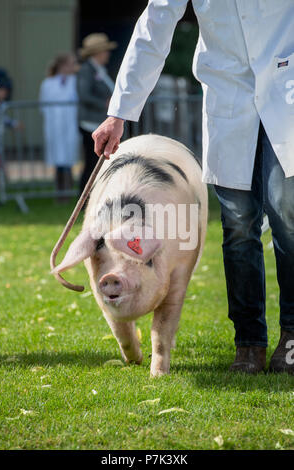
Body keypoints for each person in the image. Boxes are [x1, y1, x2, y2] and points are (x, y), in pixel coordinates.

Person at [92, 1, 294, 375]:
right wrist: (118, 112)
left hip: (288, 85)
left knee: (287, 213)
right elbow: (154, 25)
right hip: (227, 94)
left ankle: (292, 337)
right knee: (237, 225)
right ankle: (248, 342)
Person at [77, 33, 117, 194]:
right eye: (105, 50)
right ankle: (84, 196)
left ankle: (94, 194)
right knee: (92, 162)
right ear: (97, 53)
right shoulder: (86, 70)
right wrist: (104, 104)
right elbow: (84, 94)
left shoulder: (99, 69)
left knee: (98, 162)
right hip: (90, 123)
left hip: (98, 122)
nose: (107, 54)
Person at [40, 53, 79, 201]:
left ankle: (67, 192)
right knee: (58, 160)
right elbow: (43, 105)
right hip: (54, 126)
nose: (74, 67)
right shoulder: (47, 83)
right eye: (71, 64)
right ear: (62, 66)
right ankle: (59, 193)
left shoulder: (75, 81)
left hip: (70, 125)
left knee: (68, 159)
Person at [0, 69, 19, 206]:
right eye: (2, 90)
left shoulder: (0, 106)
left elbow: (4, 119)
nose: (5, 93)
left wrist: (14, 124)